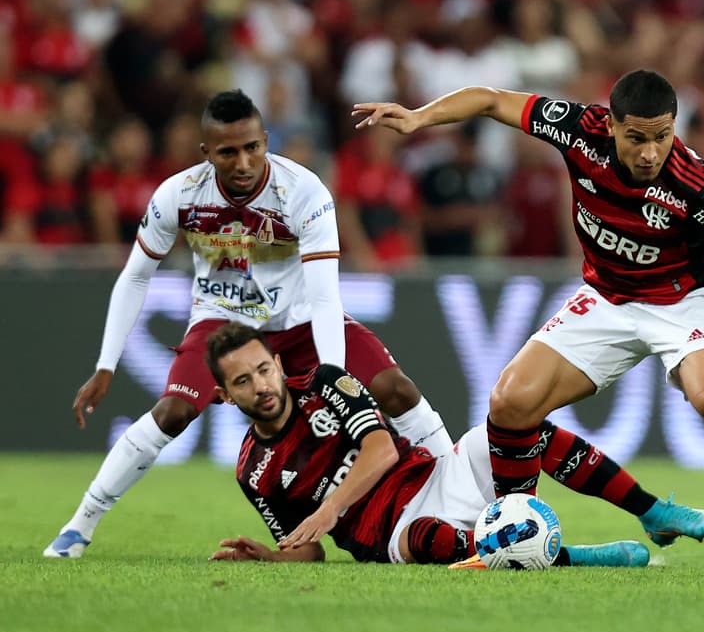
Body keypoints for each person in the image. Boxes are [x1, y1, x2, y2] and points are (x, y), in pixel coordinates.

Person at [353, 69, 704, 576]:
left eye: (662, 136)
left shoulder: (695, 183)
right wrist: (420, 117)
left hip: (680, 303)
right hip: (605, 298)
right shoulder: (575, 128)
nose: (651, 151)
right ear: (609, 124)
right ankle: (513, 535)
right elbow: (491, 99)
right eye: (637, 138)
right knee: (509, 403)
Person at [43, 90, 453, 559]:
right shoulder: (178, 195)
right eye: (228, 152)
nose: (243, 161)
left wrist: (334, 372)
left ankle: (454, 480)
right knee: (172, 413)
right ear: (206, 154)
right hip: (223, 325)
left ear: (265, 140)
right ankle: (79, 526)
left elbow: (324, 293)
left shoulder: (304, 192)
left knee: (395, 388)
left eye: (252, 147)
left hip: (301, 321)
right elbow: (136, 274)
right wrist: (105, 364)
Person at [205, 322, 704, 567]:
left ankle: (651, 511)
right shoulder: (254, 473)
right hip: (392, 531)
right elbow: (308, 552)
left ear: (277, 362)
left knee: (525, 433)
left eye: (265, 369)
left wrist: (329, 509)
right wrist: (272, 558)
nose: (263, 386)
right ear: (225, 396)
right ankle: (573, 557)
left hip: (435, 473)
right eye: (244, 381)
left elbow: (380, 448)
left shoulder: (324, 384)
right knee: (425, 537)